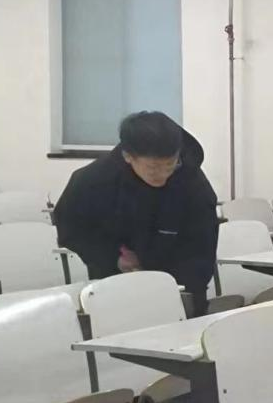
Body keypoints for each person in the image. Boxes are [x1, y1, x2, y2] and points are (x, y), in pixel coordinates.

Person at [54, 111, 219, 317]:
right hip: (115, 284)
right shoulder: (94, 182)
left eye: (170, 165)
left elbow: (202, 247)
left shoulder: (192, 182)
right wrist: (112, 257)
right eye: (153, 168)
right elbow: (72, 231)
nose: (163, 174)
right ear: (128, 157)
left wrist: (182, 291)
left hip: (179, 286)